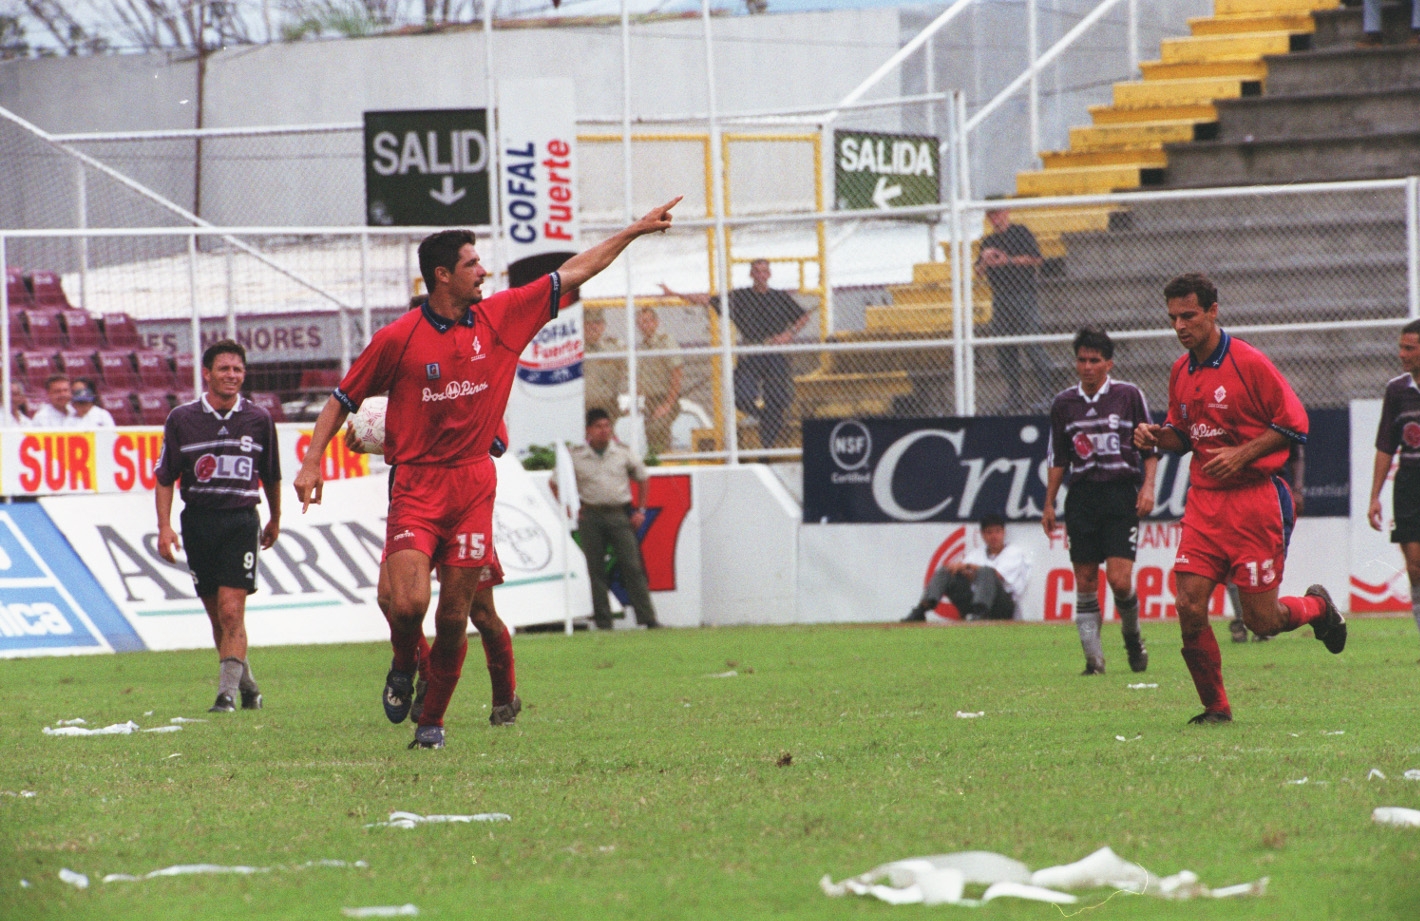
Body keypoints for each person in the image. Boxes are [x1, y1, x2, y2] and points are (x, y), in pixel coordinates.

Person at [293, 197, 680, 750]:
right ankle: (404, 663)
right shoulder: (398, 339)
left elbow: (575, 270)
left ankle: (433, 723)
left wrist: (634, 231)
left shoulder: (503, 315)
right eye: (473, 263)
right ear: (442, 275)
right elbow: (341, 399)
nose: (484, 271)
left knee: (457, 617)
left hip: (473, 485)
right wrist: (311, 463)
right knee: (405, 605)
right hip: (416, 484)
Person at [1133, 273, 1345, 726]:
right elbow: (1183, 436)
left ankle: (1318, 608)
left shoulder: (1248, 363)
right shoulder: (1180, 370)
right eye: (1173, 318)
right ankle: (1216, 707)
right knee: (1189, 605)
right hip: (1205, 503)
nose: (1180, 326)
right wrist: (1154, 436)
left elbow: (1295, 423)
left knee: (1262, 621)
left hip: (1255, 502)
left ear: (1213, 311)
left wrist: (1243, 454)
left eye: (1189, 315)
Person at [155, 340, 281, 713]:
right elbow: (165, 477)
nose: (232, 375)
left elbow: (271, 474)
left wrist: (275, 517)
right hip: (198, 522)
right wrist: (164, 527)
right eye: (224, 369)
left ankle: (225, 696)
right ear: (207, 374)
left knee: (231, 611)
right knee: (217, 616)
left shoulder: (259, 419)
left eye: (238, 369)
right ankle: (249, 688)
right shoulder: (182, 419)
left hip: (240, 521)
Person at [1042, 328, 1158, 675]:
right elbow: (1058, 458)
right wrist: (1049, 503)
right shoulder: (1064, 404)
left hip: (1120, 494)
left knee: (1120, 581)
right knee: (1085, 581)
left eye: (1095, 360)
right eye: (1082, 360)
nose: (1087, 367)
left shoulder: (1128, 395)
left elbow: (1150, 449)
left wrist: (1148, 487)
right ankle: (1093, 661)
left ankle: (1132, 636)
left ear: (1109, 363)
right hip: (1082, 498)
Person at [660, 258, 808, 449]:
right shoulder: (740, 297)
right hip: (750, 352)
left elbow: (803, 316)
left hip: (775, 353)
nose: (760, 275)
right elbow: (707, 299)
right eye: (757, 271)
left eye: (764, 271)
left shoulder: (779, 297)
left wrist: (789, 334)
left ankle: (768, 447)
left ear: (769, 274)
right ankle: (766, 418)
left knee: (776, 400)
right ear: (751, 274)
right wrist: (674, 293)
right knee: (740, 396)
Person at [561, 408, 661, 630]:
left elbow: (643, 478)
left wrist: (641, 510)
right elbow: (556, 482)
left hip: (619, 514)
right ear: (588, 430)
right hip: (591, 515)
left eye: (607, 426)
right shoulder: (576, 456)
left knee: (632, 566)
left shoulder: (622, 452)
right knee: (596, 569)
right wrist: (569, 507)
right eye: (598, 426)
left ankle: (648, 618)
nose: (604, 430)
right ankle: (603, 621)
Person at [1368, 319, 1420, 639]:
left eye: (1409, 348)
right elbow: (1386, 446)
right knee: (1415, 566)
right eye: (1401, 347)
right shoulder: (1397, 390)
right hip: (1410, 482)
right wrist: (1374, 496)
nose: (1401, 354)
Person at [976, 206, 1052, 412]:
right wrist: (985, 261)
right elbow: (978, 272)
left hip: (1023, 294)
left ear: (1006, 213)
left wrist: (1008, 260)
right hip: (1000, 297)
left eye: (997, 213)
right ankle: (1014, 395)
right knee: (1004, 347)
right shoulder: (988, 241)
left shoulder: (1020, 232)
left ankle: (1048, 392)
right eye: (991, 215)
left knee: (1031, 343)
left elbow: (1036, 259)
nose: (995, 218)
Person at [1229, 442, 1304, 643]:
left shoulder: (1273, 423)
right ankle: (1243, 619)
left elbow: (1295, 450)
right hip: (1229, 490)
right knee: (1230, 559)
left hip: (1267, 489)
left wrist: (1297, 488)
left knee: (1267, 561)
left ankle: (1263, 618)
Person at [903, 513, 1030, 622]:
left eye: (997, 531)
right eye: (989, 532)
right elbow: (968, 575)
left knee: (986, 571)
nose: (994, 536)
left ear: (1003, 532)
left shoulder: (1013, 552)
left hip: (1001, 606)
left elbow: (996, 575)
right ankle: (922, 609)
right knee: (947, 571)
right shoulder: (976, 553)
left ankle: (980, 614)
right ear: (982, 535)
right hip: (974, 601)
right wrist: (958, 568)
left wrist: (968, 566)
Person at [634, 306, 683, 456]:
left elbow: (677, 372)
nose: (644, 325)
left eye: (648, 321)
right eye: (641, 322)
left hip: (666, 398)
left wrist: (668, 404)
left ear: (656, 322)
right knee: (651, 435)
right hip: (649, 400)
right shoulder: (640, 348)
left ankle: (664, 461)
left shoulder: (665, 342)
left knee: (657, 427)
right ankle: (657, 461)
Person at [583, 309, 625, 419]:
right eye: (588, 323)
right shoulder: (572, 350)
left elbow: (627, 376)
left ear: (603, 326)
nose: (593, 327)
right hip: (581, 405)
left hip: (607, 405)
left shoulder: (614, 349)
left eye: (597, 323)